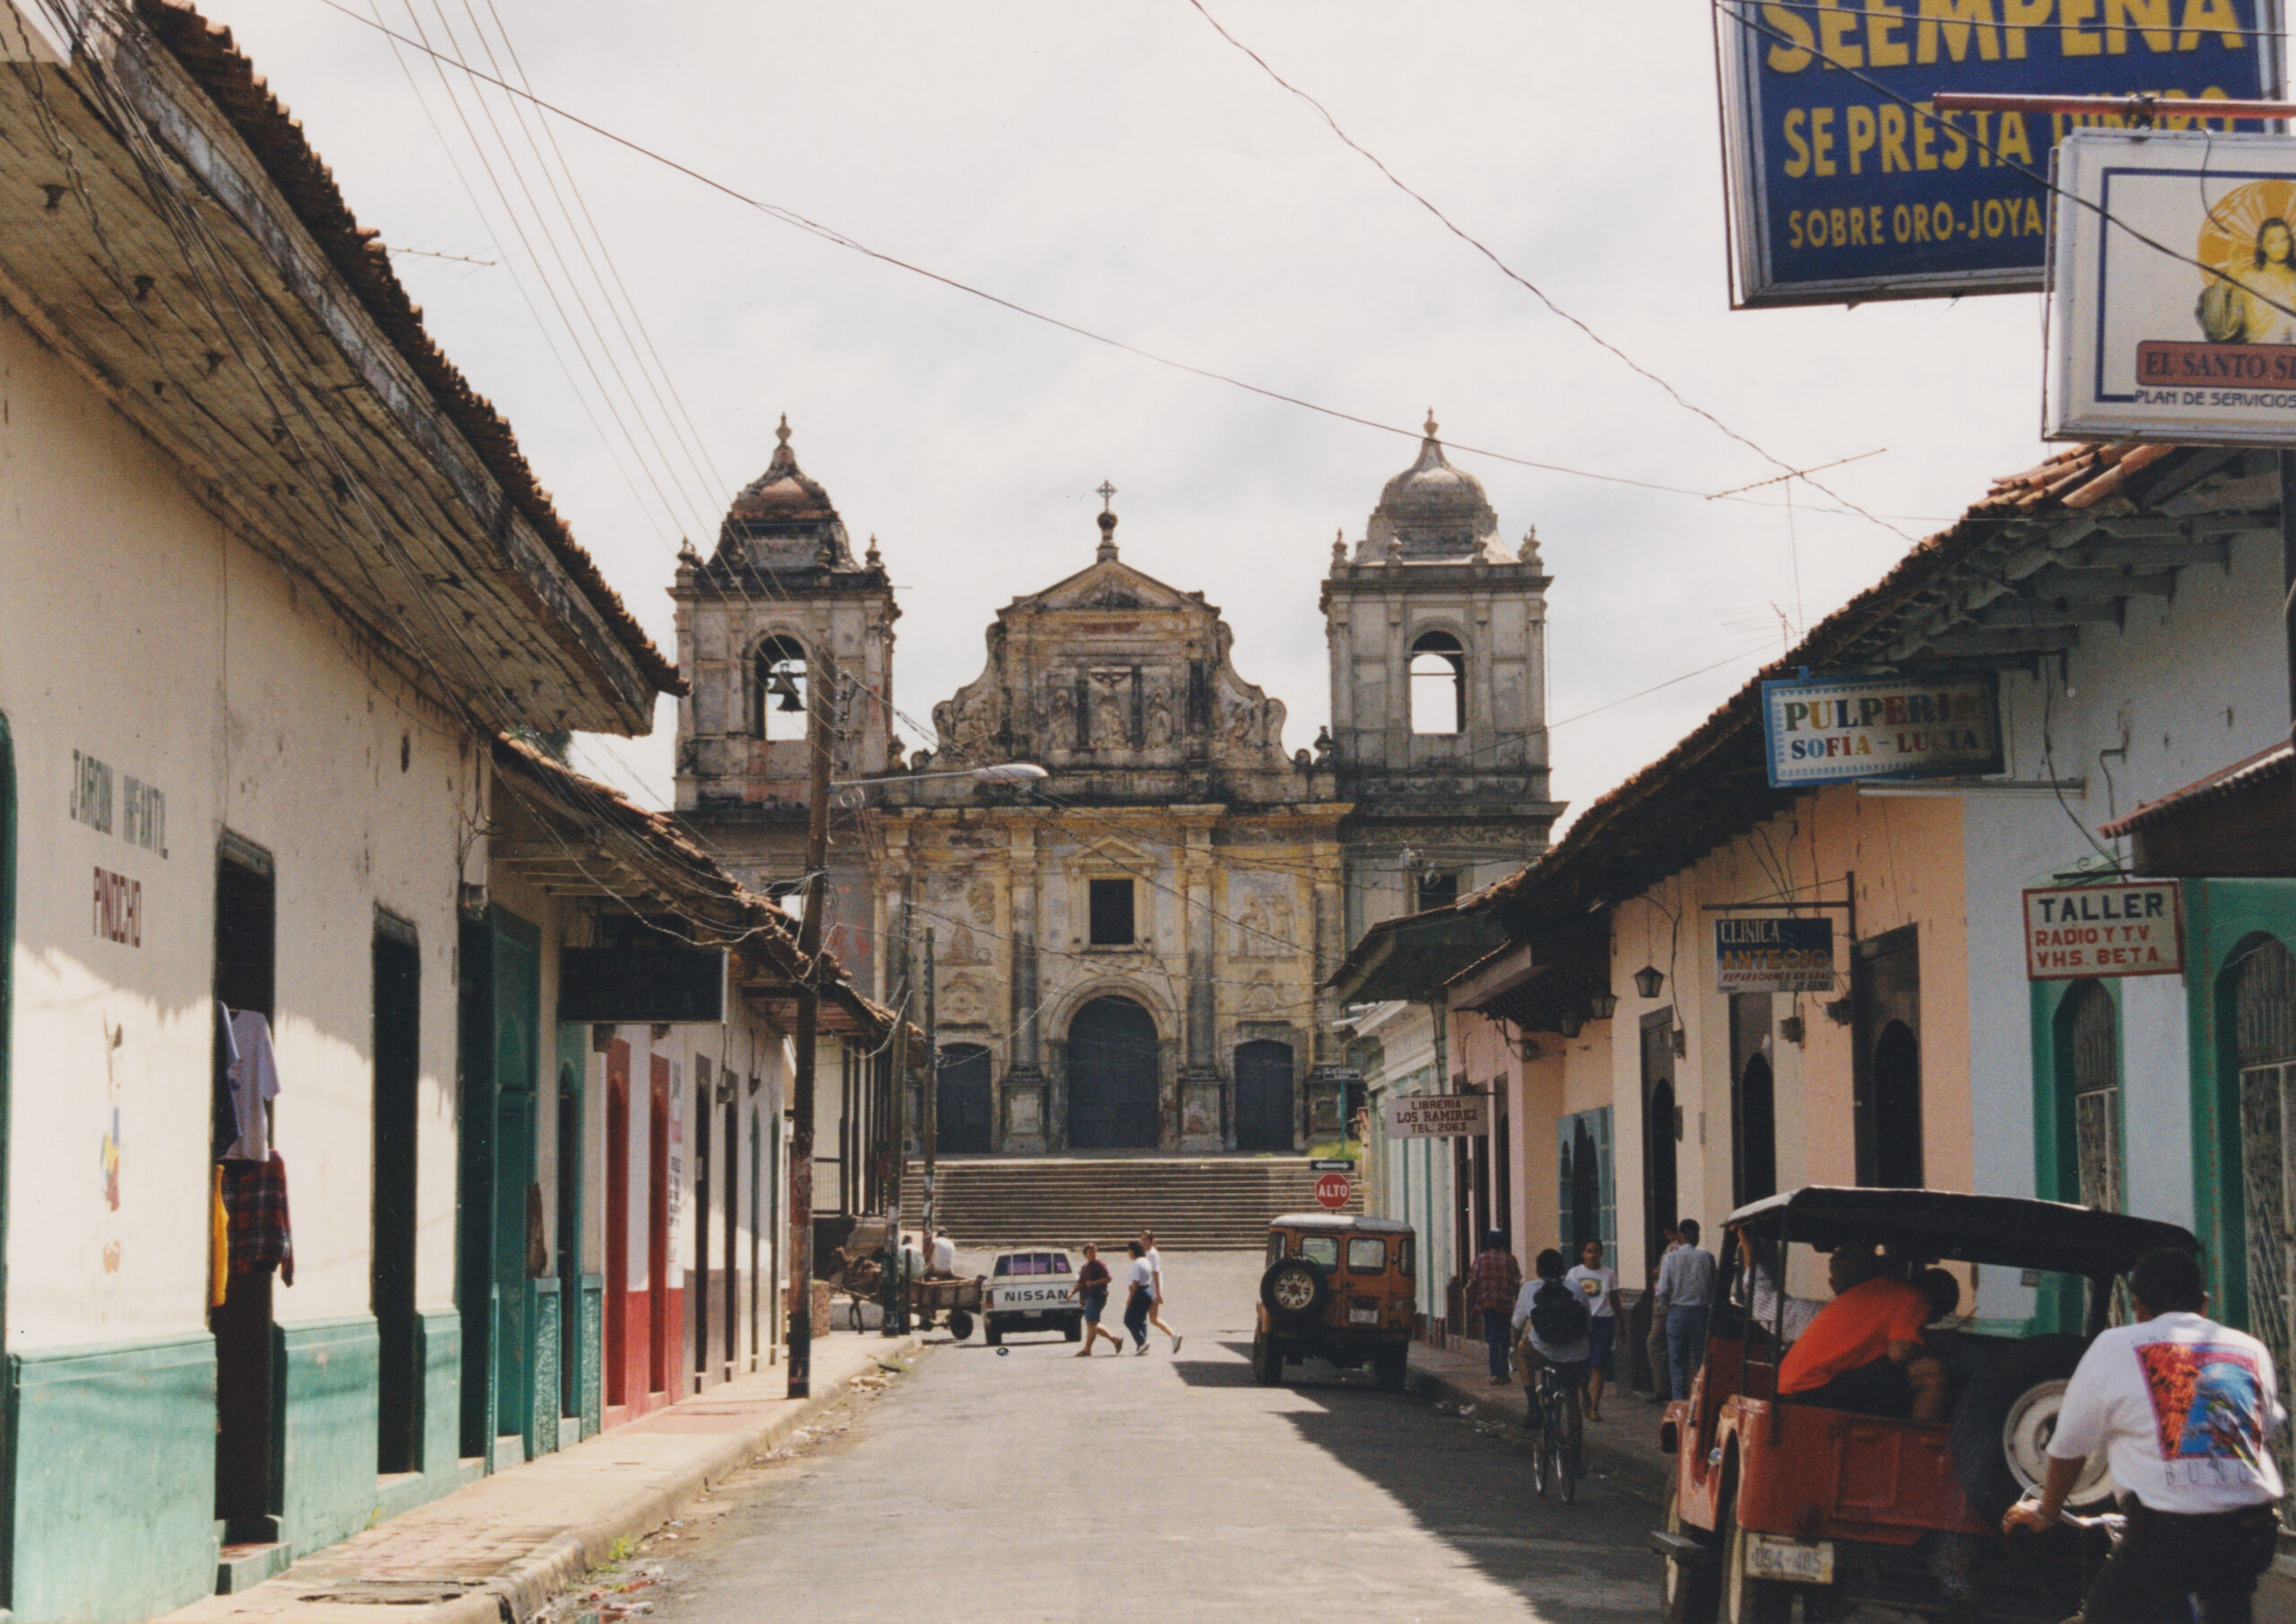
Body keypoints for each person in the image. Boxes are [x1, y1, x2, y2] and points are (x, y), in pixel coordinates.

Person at [2004, 1247, 2283, 1622]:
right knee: (2226, 1606)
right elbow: (2262, 1429)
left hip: (2166, 1539)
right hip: (2251, 1533)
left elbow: (2070, 1448)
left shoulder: (2115, 1345)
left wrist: (2047, 1511)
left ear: (2137, 1306)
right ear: (2203, 1303)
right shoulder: (2250, 1348)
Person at [1778, 1243, 1946, 1421]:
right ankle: (1917, 1438)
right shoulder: (1915, 1298)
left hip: (1792, 1387)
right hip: (1813, 1389)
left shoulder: (1878, 1289)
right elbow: (1899, 1353)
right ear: (1936, 1307)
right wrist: (1933, 1346)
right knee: (1931, 1372)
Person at [1513, 1248, 1593, 1446]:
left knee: (1522, 1351)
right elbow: (1588, 1325)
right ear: (1564, 1270)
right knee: (1572, 1397)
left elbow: (1516, 1325)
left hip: (1543, 1350)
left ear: (1538, 1271)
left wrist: (1513, 1346)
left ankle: (1533, 1404)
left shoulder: (1529, 1289)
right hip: (1576, 1354)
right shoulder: (1576, 1288)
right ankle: (1576, 1452)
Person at [1654, 1218, 1718, 1404]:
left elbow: (1662, 1290)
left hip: (1677, 1312)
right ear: (1696, 1236)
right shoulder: (1707, 1257)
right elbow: (1715, 1287)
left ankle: (1679, 1403)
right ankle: (1701, 1400)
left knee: (1677, 1362)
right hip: (1701, 1312)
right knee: (1701, 1361)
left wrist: (1667, 1307)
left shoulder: (1670, 1258)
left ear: (1680, 1237)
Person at [1565, 1238, 1619, 1421]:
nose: (1592, 1255)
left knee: (1598, 1365)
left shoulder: (1609, 1274)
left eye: (1596, 1251)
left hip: (1603, 1321)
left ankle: (1595, 1406)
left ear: (1601, 1253)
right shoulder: (1574, 1273)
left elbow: (1615, 1300)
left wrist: (1621, 1325)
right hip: (1581, 1322)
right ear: (1583, 1254)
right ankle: (1585, 1397)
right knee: (1582, 1364)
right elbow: (1569, 1299)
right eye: (1589, 1251)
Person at [1468, 1229, 1524, 1385]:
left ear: (1488, 1243)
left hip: (1488, 1304)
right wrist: (1518, 1301)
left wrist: (1473, 1304)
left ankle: (1495, 1373)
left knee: (1493, 1338)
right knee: (1505, 1339)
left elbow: (1473, 1282)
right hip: (1506, 1304)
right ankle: (1504, 1372)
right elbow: (1516, 1283)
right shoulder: (1510, 1259)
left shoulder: (1480, 1259)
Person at [1642, 1222, 1681, 1403]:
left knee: (1655, 1343)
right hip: (1674, 1302)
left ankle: (1662, 1388)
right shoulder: (1677, 1248)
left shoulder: (1672, 1249)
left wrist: (1654, 1273)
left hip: (1665, 1302)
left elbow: (1662, 1274)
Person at [1072, 1242, 1125, 1356]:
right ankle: (1115, 1341)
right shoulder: (1085, 1267)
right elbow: (1080, 1283)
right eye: (1090, 1252)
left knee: (1092, 1323)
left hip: (1097, 1296)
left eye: (1094, 1252)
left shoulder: (1100, 1265)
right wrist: (1072, 1293)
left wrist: (1094, 1283)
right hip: (1088, 1297)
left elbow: (1108, 1278)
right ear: (1085, 1254)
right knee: (1091, 1324)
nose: (1093, 1254)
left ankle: (1088, 1349)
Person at [1140, 1229, 1181, 1354]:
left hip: (1152, 1289)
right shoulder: (1147, 1253)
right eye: (1142, 1239)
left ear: (1151, 1241)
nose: (1143, 1242)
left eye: (1146, 1240)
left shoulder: (1153, 1254)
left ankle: (1142, 1342)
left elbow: (1156, 1273)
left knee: (1148, 1317)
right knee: (1152, 1318)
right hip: (1149, 1287)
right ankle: (1173, 1336)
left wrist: (1158, 1294)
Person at [1122, 1240, 1155, 1355]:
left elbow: (1135, 1282)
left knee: (1128, 1320)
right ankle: (1141, 1346)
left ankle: (1142, 1342)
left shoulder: (1137, 1263)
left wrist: (1130, 1298)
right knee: (1141, 1320)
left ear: (1133, 1251)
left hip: (1138, 1293)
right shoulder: (1145, 1261)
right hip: (1147, 1291)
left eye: (1129, 1251)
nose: (1128, 1253)